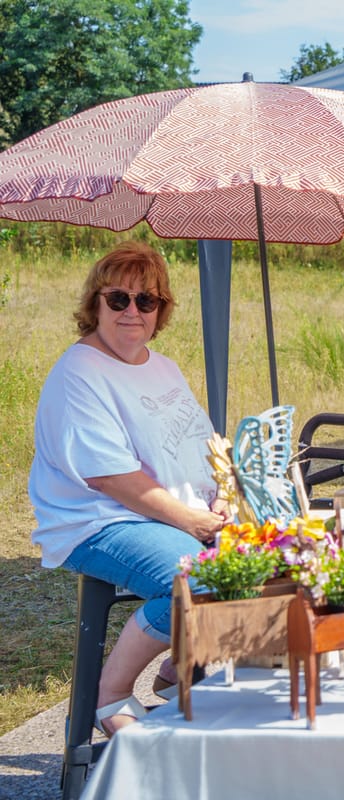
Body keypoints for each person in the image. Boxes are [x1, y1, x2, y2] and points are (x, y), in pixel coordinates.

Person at [28, 242, 229, 736]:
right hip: (100, 519)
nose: (133, 312)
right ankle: (109, 694)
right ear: (95, 303)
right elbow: (112, 478)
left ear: (161, 311)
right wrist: (198, 523)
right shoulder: (81, 372)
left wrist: (223, 492)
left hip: (168, 513)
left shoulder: (161, 366)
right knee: (200, 578)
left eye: (147, 301)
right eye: (119, 299)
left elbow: (204, 445)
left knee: (281, 558)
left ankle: (182, 666)